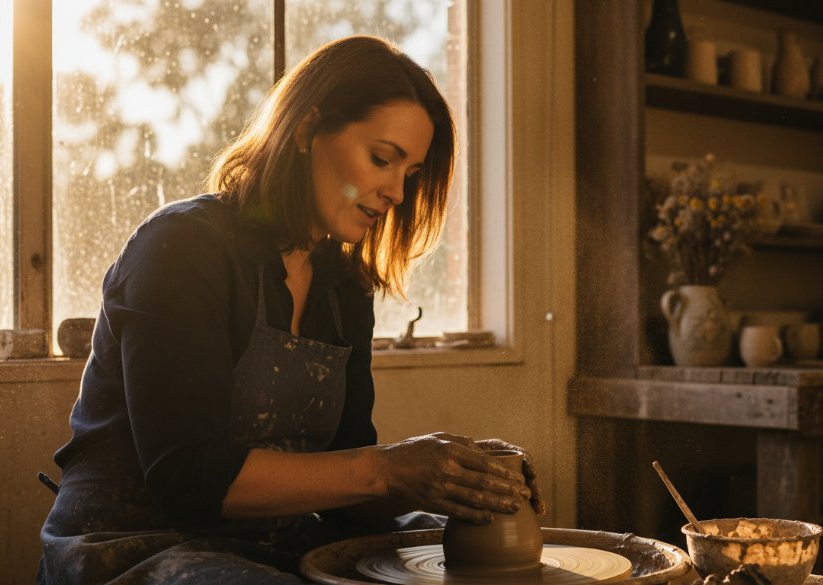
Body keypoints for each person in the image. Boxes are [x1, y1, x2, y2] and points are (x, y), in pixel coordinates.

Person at [38, 35, 542, 585]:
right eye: (382, 158)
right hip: (135, 545)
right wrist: (389, 469)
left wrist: (456, 480)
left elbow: (350, 482)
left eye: (411, 174)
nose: (397, 192)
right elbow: (190, 478)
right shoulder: (181, 248)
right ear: (307, 129)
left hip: (270, 543)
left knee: (454, 557)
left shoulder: (343, 286)